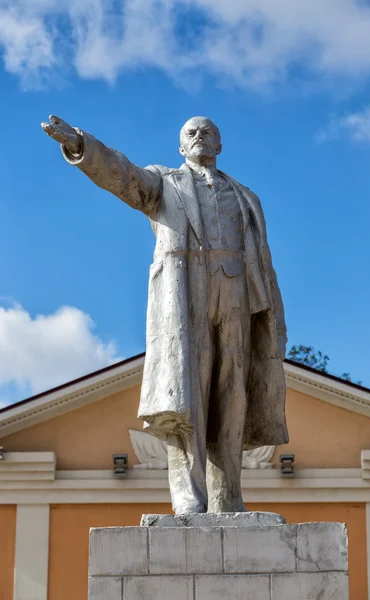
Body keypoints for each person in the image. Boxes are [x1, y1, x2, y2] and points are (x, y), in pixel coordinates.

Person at [41, 114, 289, 514]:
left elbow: (263, 260)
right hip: (185, 294)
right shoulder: (164, 184)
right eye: (191, 133)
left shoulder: (246, 197)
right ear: (181, 147)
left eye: (208, 132)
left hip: (239, 297)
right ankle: (189, 497)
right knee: (186, 396)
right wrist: (79, 146)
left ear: (220, 145)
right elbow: (121, 173)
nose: (200, 137)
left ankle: (227, 499)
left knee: (232, 396)